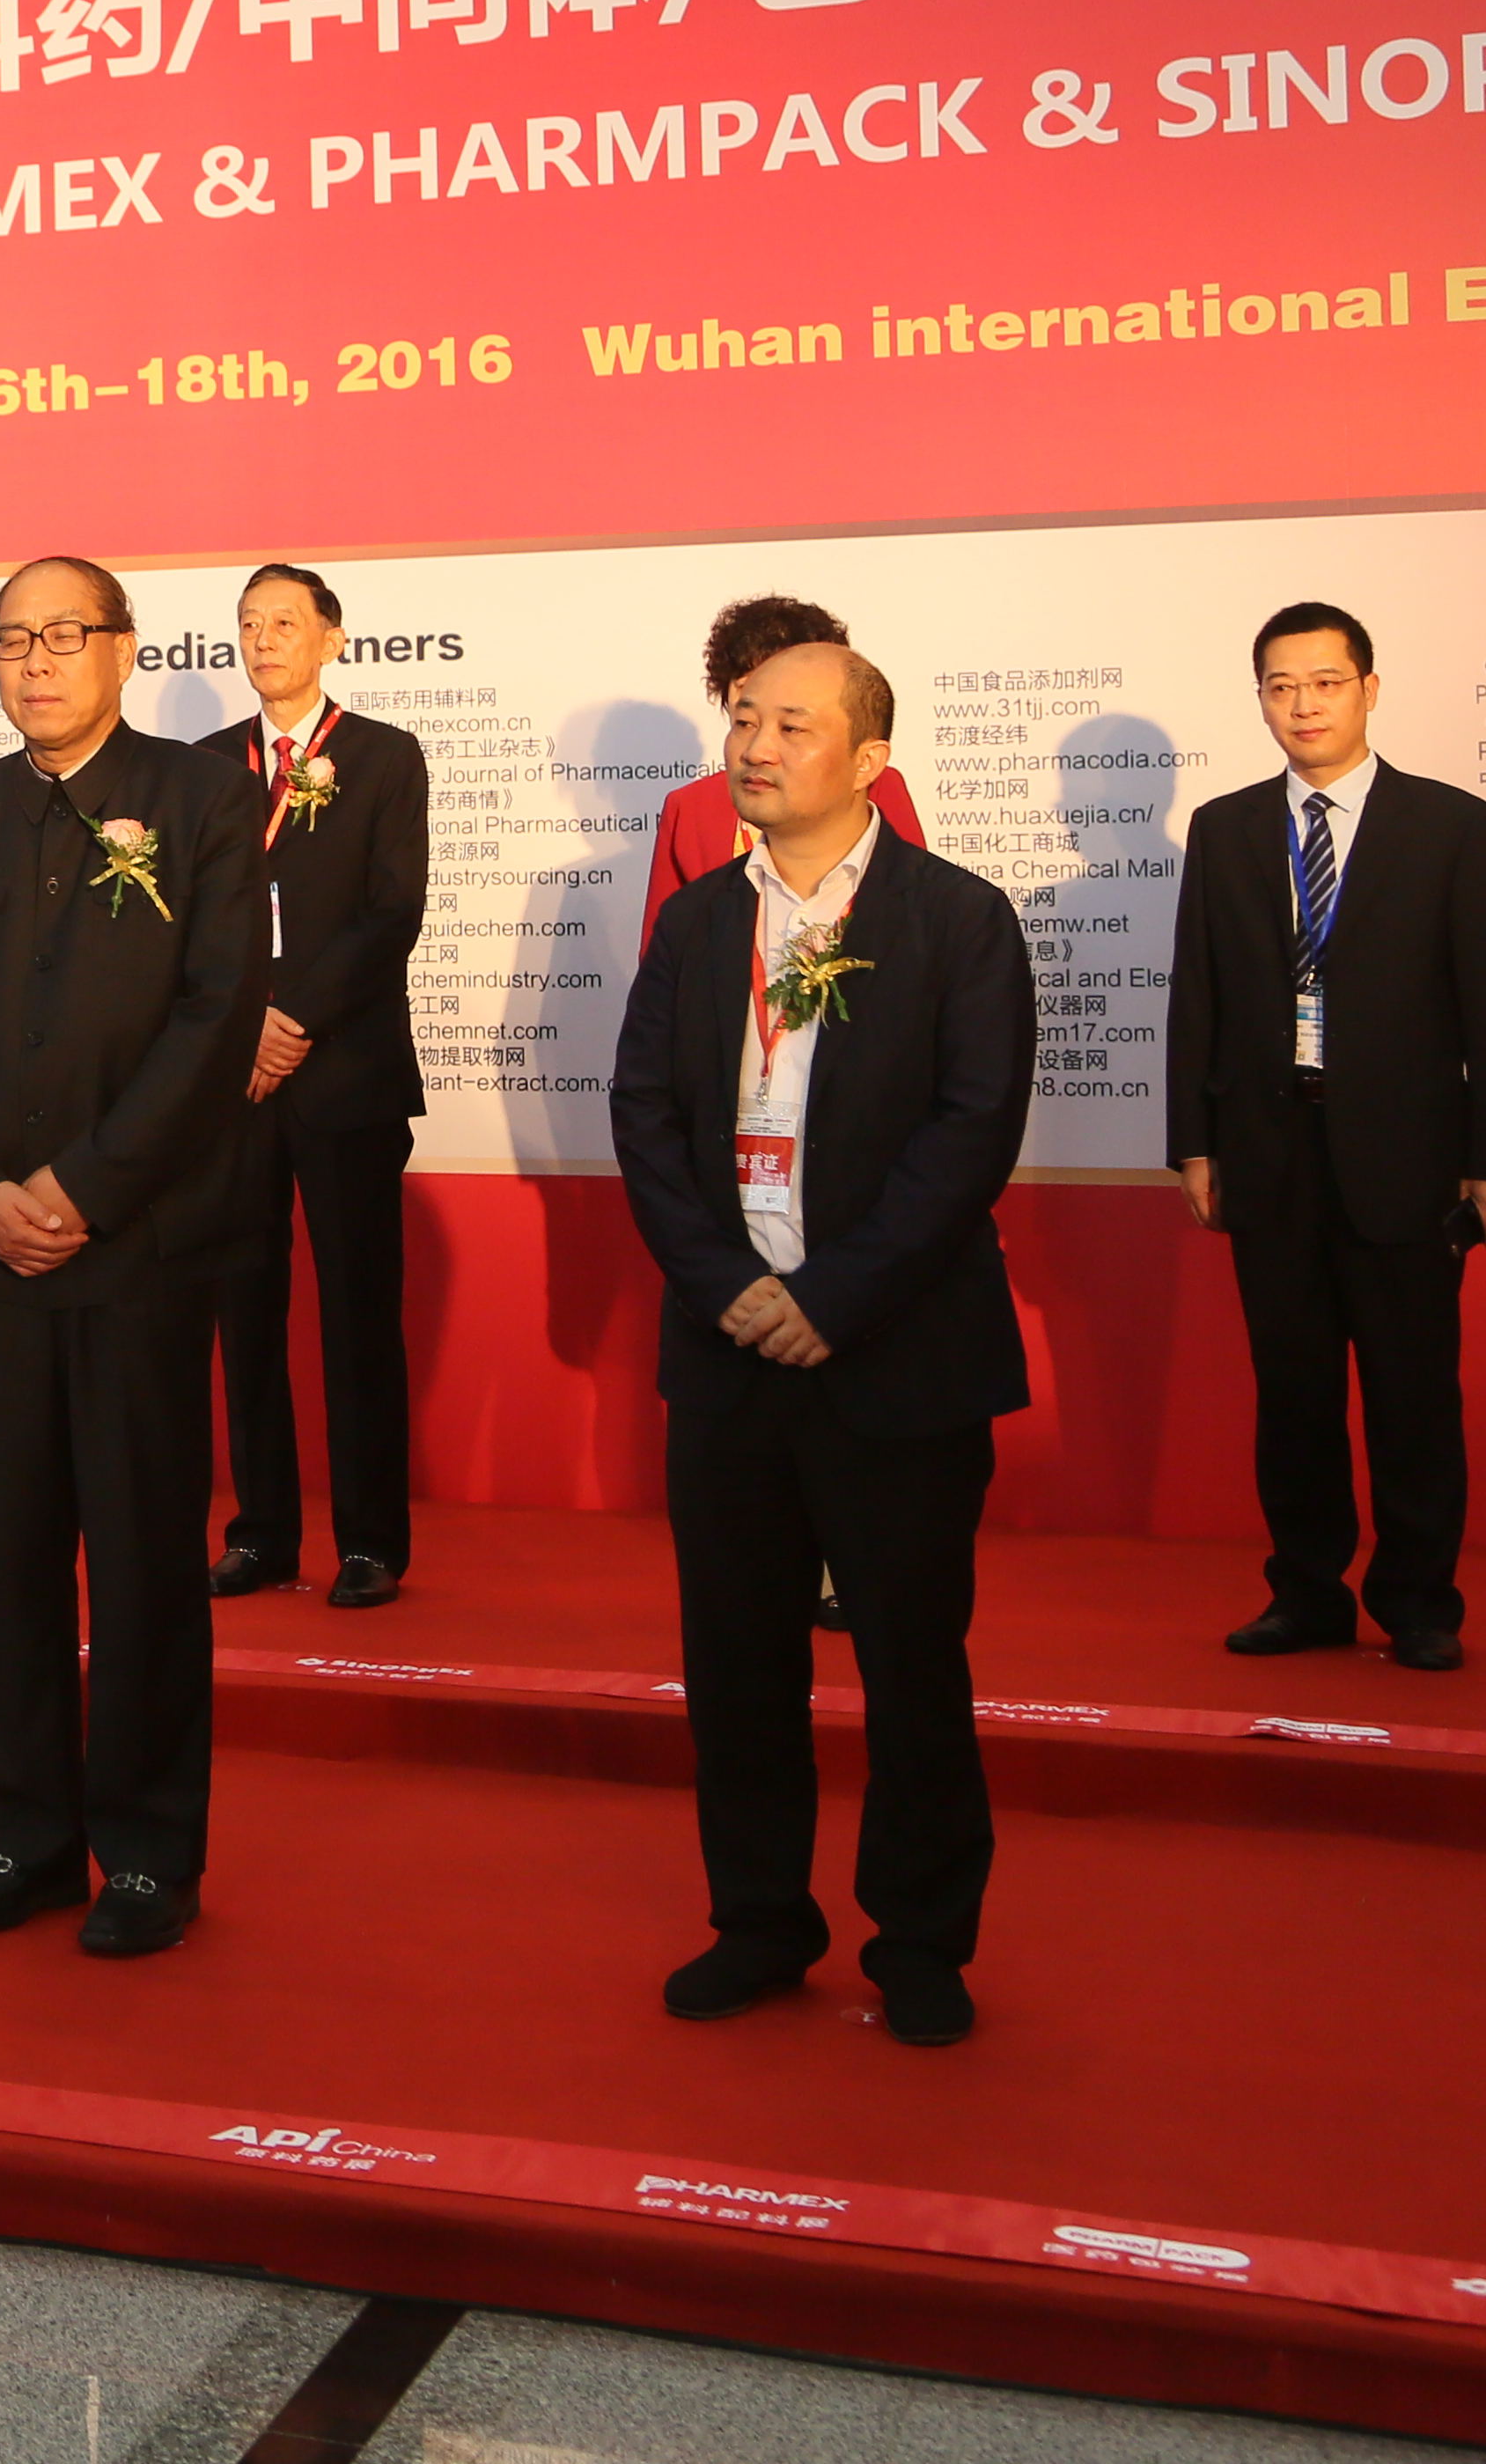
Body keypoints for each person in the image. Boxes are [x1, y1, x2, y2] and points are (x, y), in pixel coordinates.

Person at [611, 638, 1033, 2048]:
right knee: (737, 1664)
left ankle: (920, 1939)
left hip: (897, 1357)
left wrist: (832, 1296)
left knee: (911, 1665)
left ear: (869, 759)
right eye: (745, 718)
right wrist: (726, 1285)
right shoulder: (695, 925)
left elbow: (971, 1130)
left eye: (794, 724)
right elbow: (644, 1116)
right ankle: (758, 1921)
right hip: (729, 1354)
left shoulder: (957, 919)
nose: (757, 745)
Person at [0, 563, 265, 1959]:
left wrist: (84, 1187)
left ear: (122, 650)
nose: (36, 661)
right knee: (18, 1557)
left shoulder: (202, 798)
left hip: (140, 1245)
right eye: (12, 640)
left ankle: (150, 1853)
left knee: (146, 1558)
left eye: (64, 635)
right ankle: (29, 1839)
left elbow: (218, 1016)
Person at [1172, 602, 1486, 1674]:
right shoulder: (1227, 828)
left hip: (1407, 1158)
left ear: (1369, 690)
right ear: (1261, 699)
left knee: (1412, 1394)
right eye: (1281, 686)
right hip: (1269, 1151)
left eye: (1325, 683)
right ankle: (1307, 1593)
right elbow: (1198, 994)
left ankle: (1419, 1601)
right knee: (1294, 1396)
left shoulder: (1452, 826)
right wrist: (1195, 1141)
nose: (1304, 705)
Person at [210, 564, 434, 1607]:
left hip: (345, 1074)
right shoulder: (208, 766)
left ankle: (370, 1542)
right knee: (244, 1313)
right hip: (233, 1086)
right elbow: (189, 921)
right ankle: (261, 1532)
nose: (264, 639)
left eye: (285, 622)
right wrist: (242, 1026)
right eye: (250, 624)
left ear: (332, 639)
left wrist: (293, 1017)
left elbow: (392, 911)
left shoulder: (384, 755)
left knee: (357, 1313)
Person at [644, 593, 926, 929]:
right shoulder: (689, 807)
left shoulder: (875, 783)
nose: (768, 695)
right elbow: (664, 940)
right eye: (748, 685)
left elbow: (916, 906)